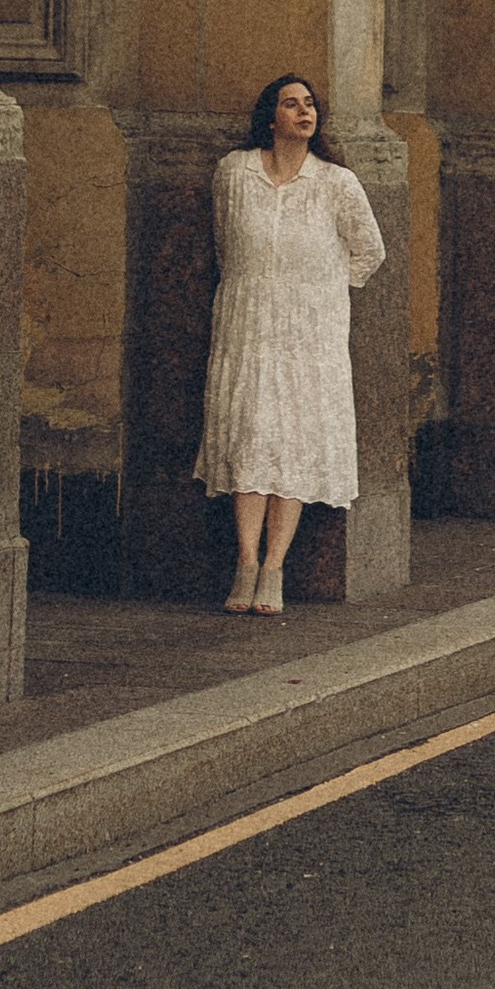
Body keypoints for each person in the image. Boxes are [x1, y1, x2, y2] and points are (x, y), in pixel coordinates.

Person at [195, 75, 387, 615]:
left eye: (310, 104)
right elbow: (224, 243)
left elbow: (369, 253)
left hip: (310, 336)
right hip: (247, 328)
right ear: (270, 116)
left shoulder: (337, 183)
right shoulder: (234, 172)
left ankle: (275, 567)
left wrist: (317, 292)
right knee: (250, 434)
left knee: (296, 441)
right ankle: (245, 562)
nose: (304, 112)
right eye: (291, 104)